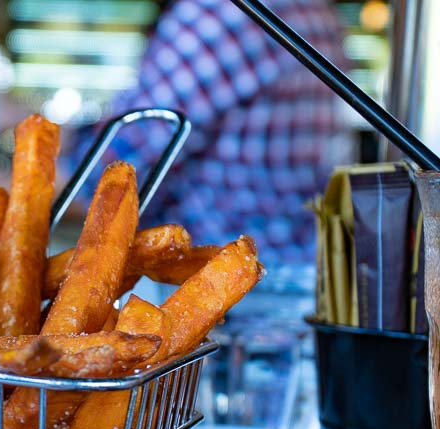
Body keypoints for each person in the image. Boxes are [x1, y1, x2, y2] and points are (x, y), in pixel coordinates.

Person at [73, 0, 348, 266]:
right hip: (291, 267)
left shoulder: (217, 13)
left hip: (219, 278)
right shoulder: (316, 9)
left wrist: (42, 151)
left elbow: (111, 183)